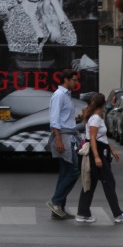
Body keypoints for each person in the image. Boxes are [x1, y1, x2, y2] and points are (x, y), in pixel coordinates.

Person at [75, 93, 123, 224]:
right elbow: (93, 139)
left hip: (100, 151)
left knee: (91, 184)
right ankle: (117, 214)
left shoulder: (96, 117)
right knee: (109, 182)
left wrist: (112, 150)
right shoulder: (95, 118)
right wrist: (96, 157)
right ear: (104, 104)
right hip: (97, 153)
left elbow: (102, 138)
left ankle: (82, 213)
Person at [47, 69, 81, 219]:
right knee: (74, 170)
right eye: (74, 79)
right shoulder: (59, 95)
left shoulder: (67, 95)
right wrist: (59, 140)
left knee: (65, 172)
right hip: (63, 138)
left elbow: (65, 117)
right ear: (66, 80)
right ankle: (55, 201)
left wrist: (79, 116)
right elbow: (54, 120)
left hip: (68, 136)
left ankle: (58, 208)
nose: (76, 82)